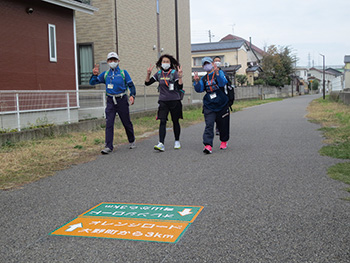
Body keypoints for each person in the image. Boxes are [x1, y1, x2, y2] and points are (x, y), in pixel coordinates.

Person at [89, 52, 136, 154]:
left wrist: (132, 95)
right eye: (110, 60)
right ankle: (108, 146)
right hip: (110, 100)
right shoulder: (106, 74)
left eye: (114, 60)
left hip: (122, 99)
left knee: (126, 122)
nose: (112, 62)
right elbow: (92, 83)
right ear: (107, 62)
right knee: (109, 123)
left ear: (118, 61)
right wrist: (94, 75)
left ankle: (131, 140)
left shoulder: (123, 73)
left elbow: (131, 86)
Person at [145, 54, 183, 152]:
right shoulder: (158, 74)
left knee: (175, 121)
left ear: (170, 63)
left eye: (167, 61)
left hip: (175, 100)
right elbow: (147, 83)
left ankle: (177, 141)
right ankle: (161, 143)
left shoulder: (174, 73)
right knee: (162, 121)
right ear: (160, 63)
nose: (165, 63)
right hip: (163, 101)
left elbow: (180, 87)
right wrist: (148, 74)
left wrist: (180, 77)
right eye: (163, 61)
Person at [193, 57, 230, 154]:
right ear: (203, 67)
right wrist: (196, 82)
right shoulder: (204, 78)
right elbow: (199, 89)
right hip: (209, 104)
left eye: (208, 63)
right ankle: (208, 145)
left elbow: (222, 83)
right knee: (209, 124)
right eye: (204, 64)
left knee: (223, 125)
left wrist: (217, 73)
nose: (207, 65)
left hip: (222, 103)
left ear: (213, 64)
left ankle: (224, 141)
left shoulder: (219, 73)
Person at [213, 56, 233, 136]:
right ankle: (217, 126)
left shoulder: (223, 73)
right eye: (216, 61)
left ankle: (220, 128)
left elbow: (227, 85)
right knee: (215, 113)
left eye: (219, 61)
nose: (217, 62)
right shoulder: (210, 73)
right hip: (213, 97)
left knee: (222, 114)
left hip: (223, 97)